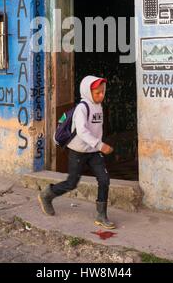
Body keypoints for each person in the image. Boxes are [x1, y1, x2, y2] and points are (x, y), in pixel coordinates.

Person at [38, 75, 115, 229]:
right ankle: (47, 194)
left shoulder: (98, 106)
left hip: (94, 152)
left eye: (102, 92)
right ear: (87, 92)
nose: (101, 95)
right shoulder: (82, 108)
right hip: (78, 151)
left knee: (104, 179)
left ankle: (101, 215)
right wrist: (100, 145)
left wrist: (97, 147)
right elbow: (82, 131)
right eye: (97, 93)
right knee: (72, 183)